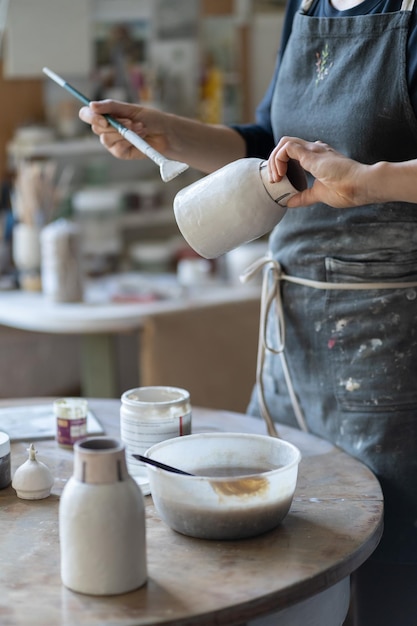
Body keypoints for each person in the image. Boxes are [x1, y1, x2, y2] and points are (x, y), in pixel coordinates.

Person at [79, 0, 417, 622]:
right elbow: (266, 144)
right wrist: (168, 133)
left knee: (387, 576)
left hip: (387, 351)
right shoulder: (306, 6)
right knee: (286, 560)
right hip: (290, 339)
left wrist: (366, 182)